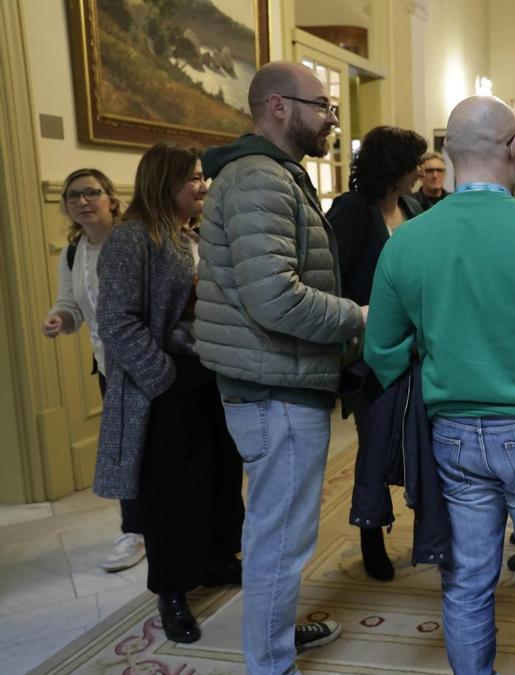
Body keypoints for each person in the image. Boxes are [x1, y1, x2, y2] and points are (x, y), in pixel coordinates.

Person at [364, 95, 515, 675]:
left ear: (449, 153)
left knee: (468, 578)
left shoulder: (408, 240)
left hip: (451, 432)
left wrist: (437, 360)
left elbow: (380, 350)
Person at [194, 61, 366, 671]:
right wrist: (358, 317)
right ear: (278, 106)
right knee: (280, 539)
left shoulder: (271, 176)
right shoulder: (259, 181)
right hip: (274, 385)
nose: (331, 121)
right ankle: (270, 661)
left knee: (280, 530)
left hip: (277, 379)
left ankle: (276, 635)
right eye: (323, 107)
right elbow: (275, 298)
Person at [93, 143, 245, 644]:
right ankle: (173, 591)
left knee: (220, 480)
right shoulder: (131, 239)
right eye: (193, 179)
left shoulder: (192, 233)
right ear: (164, 183)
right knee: (171, 497)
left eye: (203, 177)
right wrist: (164, 377)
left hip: (210, 379)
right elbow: (116, 320)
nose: (203, 186)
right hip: (165, 389)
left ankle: (219, 560)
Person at [328, 125, 428, 582]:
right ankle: (371, 535)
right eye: (413, 166)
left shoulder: (414, 207)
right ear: (393, 169)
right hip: (370, 350)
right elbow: (336, 279)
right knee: (374, 446)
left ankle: (429, 536)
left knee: (421, 444)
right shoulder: (351, 211)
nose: (420, 173)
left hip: (421, 346)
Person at [42, 168, 147, 574]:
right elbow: (70, 306)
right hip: (109, 368)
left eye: (91, 193)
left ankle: (166, 526)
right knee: (124, 452)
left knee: (158, 448)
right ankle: (134, 531)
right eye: (73, 196)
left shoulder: (133, 241)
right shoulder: (73, 253)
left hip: (147, 364)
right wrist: (59, 319)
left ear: (111, 199)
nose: (82, 202)